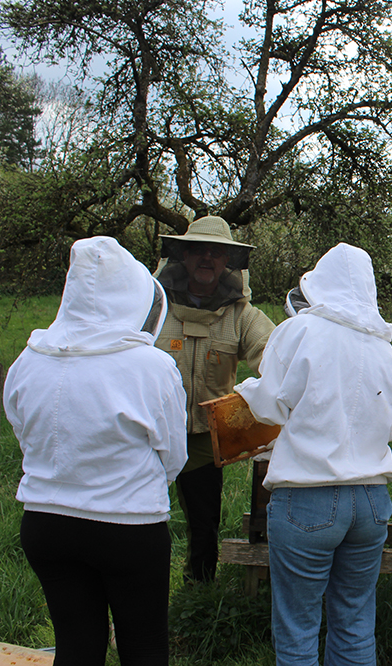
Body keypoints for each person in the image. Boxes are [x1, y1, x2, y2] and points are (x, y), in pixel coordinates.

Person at [5, 236, 188, 664]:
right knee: (143, 648)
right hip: (128, 528)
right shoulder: (151, 366)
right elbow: (174, 455)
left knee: (75, 647)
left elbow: (24, 433)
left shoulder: (28, 359)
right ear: (133, 295)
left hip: (46, 524)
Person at [235, 242, 392, 666]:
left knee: (298, 629)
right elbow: (391, 429)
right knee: (355, 623)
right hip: (371, 501)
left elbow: (271, 405)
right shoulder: (386, 350)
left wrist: (247, 390)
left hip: (308, 500)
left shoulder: (300, 330)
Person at [154, 215, 276, 582]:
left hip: (206, 441)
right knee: (141, 516)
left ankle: (198, 590)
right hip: (151, 433)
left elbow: (277, 354)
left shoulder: (241, 316)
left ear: (228, 262)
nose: (207, 258)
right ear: (183, 256)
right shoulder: (153, 308)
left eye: (216, 252)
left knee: (203, 521)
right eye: (198, 250)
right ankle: (143, 587)